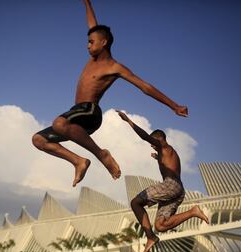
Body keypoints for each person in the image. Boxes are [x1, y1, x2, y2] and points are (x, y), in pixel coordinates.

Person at [32, 0, 188, 187]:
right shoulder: (92, 59)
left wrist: (174, 106)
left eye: (91, 42)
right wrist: (87, 3)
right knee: (39, 140)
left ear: (104, 42)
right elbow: (93, 25)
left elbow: (144, 87)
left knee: (59, 123)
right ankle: (78, 161)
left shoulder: (114, 67)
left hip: (90, 112)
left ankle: (101, 154)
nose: (87, 46)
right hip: (77, 119)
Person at [116, 110, 208, 252]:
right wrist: (157, 158)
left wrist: (128, 120)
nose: (153, 146)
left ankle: (150, 237)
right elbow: (170, 165)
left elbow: (145, 136)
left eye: (154, 144)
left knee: (135, 202)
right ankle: (192, 212)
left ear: (159, 139)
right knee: (160, 225)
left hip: (170, 185)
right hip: (178, 191)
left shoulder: (163, 146)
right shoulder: (168, 152)